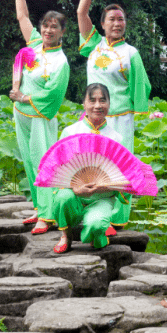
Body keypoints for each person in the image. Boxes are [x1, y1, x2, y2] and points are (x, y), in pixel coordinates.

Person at [75, 0, 151, 231]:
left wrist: (139, 114)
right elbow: (81, 13)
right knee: (92, 164)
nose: (117, 23)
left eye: (121, 19)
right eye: (112, 19)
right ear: (103, 23)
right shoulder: (93, 45)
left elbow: (141, 88)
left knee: (121, 166)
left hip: (119, 118)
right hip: (92, 117)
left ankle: (118, 218)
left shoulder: (131, 53)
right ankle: (97, 211)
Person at [12, 0, 71, 233]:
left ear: (62, 32)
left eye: (54, 27)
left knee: (43, 162)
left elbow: (52, 96)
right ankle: (39, 208)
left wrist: (24, 97)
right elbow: (22, 18)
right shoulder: (34, 45)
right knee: (28, 160)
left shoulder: (61, 62)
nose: (48, 30)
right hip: (20, 114)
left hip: (39, 116)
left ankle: (47, 216)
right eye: (45, 25)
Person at [46, 84, 125, 253]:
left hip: (102, 198)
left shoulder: (117, 138)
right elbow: (58, 171)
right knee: (62, 198)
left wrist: (105, 186)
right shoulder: (70, 132)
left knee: (96, 226)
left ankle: (97, 232)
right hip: (74, 194)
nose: (98, 105)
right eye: (92, 100)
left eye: (102, 101)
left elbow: (125, 177)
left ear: (109, 104)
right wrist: (75, 188)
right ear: (84, 104)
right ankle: (66, 236)